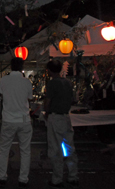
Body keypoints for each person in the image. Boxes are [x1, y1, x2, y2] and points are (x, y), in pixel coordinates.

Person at [0, 58, 33, 188]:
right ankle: (23, 178)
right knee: (25, 150)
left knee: (4, 149)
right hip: (24, 119)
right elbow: (30, 97)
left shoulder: (4, 80)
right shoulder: (27, 82)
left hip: (8, 119)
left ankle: (2, 176)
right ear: (22, 66)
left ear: (10, 66)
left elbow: (1, 95)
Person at [44, 60, 79, 188]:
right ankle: (73, 175)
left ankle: (57, 178)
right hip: (66, 117)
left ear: (50, 70)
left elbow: (48, 101)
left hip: (55, 117)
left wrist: (46, 112)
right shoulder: (67, 83)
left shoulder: (52, 83)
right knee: (69, 147)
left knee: (55, 148)